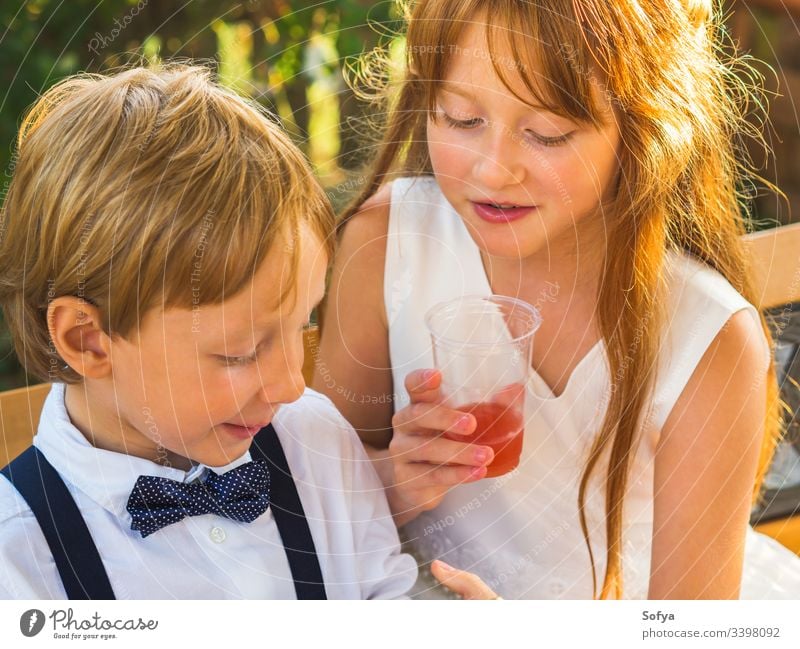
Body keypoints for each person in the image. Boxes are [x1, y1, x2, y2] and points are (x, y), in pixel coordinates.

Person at [315, 0, 800, 599]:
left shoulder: (707, 338)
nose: (493, 172)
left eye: (546, 134)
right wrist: (397, 480)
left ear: (641, 130)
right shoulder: (387, 244)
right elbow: (309, 490)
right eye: (461, 119)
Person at [0, 64, 417, 599]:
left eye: (303, 323)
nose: (292, 384)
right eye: (240, 353)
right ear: (89, 340)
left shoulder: (315, 443)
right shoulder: (20, 563)